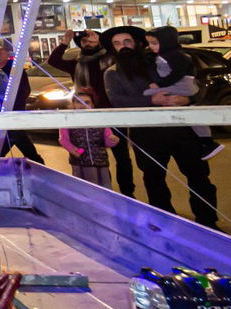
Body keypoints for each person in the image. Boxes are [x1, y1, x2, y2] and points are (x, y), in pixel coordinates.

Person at [101, 26, 219, 228]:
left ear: (137, 42)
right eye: (118, 44)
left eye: (127, 41)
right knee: (154, 180)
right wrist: (151, 101)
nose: (123, 47)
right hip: (146, 133)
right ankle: (164, 221)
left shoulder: (162, 61)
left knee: (199, 177)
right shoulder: (112, 74)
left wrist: (187, 98)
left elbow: (198, 84)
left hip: (183, 130)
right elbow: (118, 101)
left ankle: (208, 223)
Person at [48, 28, 134, 196]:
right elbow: (54, 61)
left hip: (112, 113)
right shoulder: (77, 63)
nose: (87, 44)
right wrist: (65, 42)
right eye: (84, 42)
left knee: (121, 156)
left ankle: (127, 193)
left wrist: (101, 40)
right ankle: (104, 191)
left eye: (91, 41)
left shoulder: (110, 60)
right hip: (87, 117)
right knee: (95, 158)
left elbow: (121, 55)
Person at [146, 27, 221, 160]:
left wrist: (159, 85)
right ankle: (206, 142)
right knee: (194, 117)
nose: (151, 46)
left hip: (183, 85)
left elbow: (177, 74)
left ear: (166, 42)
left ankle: (207, 143)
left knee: (149, 93)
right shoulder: (164, 55)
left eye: (154, 43)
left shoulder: (176, 56)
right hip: (182, 88)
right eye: (150, 43)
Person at [0, 47, 45, 164]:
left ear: (7, 55)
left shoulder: (14, 71)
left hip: (12, 113)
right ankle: (38, 163)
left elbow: (24, 91)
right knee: (21, 141)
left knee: (7, 142)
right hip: (5, 115)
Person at [59, 89, 120, 189]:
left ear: (92, 105)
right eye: (79, 102)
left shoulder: (99, 120)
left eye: (86, 102)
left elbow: (107, 139)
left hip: (100, 161)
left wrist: (112, 140)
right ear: (73, 104)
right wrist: (75, 150)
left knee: (103, 188)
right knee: (84, 189)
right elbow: (63, 139)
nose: (82, 105)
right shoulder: (68, 120)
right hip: (80, 162)